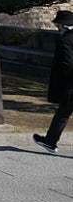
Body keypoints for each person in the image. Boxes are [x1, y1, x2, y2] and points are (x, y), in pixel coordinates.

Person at [33, 10, 73, 154]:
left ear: (62, 25)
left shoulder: (65, 39)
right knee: (62, 113)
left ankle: (50, 142)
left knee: (62, 114)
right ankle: (50, 141)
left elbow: (68, 63)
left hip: (71, 85)